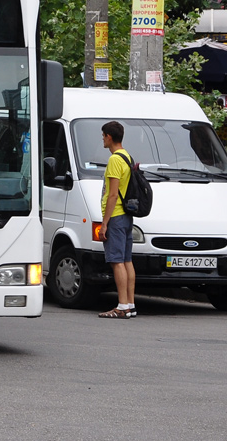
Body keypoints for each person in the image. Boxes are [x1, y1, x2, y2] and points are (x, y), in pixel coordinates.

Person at [97, 120, 136, 319]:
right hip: (127, 217)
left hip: (116, 216)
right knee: (127, 260)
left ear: (109, 137)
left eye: (103, 136)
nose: (102, 139)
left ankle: (122, 306)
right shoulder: (127, 156)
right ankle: (130, 304)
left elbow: (113, 194)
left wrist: (104, 223)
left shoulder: (114, 160)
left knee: (117, 261)